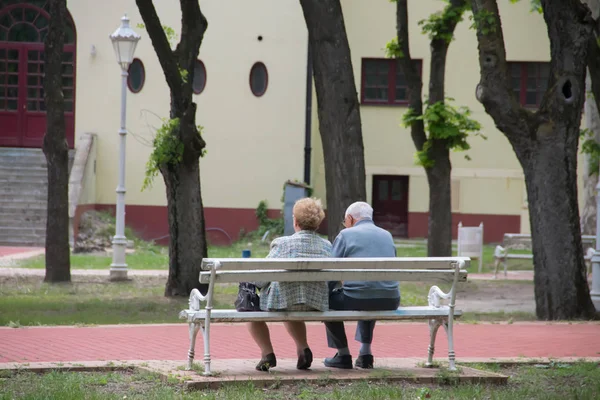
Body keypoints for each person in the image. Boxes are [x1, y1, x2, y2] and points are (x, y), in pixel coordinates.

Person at [248, 197, 332, 372]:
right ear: (317, 223)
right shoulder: (326, 245)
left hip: (284, 302)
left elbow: (262, 278)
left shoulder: (282, 243)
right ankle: (303, 349)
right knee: (292, 301)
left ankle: (267, 354)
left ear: (295, 221)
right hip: (315, 303)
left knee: (251, 309)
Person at [323, 201, 400, 370]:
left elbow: (330, 272)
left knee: (329, 301)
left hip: (358, 298)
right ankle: (365, 354)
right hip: (390, 299)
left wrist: (324, 295)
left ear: (350, 219)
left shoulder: (345, 235)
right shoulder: (387, 235)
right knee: (371, 290)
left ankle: (343, 354)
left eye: (345, 221)